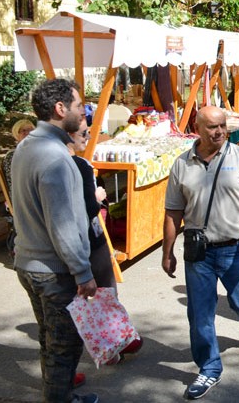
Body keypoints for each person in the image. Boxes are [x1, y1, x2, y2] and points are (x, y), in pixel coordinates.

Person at [162, 106, 239, 400]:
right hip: (200, 253)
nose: (220, 131)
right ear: (197, 128)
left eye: (222, 125)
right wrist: (167, 251)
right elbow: (173, 212)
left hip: (238, 248)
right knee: (199, 315)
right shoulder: (182, 164)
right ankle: (209, 367)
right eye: (212, 127)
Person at [12, 78, 98, 403]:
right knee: (64, 347)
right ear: (61, 109)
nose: (82, 111)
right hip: (52, 271)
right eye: (79, 106)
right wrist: (83, 272)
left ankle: (59, 396)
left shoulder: (26, 146)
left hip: (29, 264)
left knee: (50, 341)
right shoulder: (55, 157)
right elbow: (62, 225)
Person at [66, 122, 143, 364]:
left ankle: (110, 344)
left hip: (67, 242)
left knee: (82, 298)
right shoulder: (80, 165)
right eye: (84, 134)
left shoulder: (37, 162)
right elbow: (88, 208)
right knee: (105, 290)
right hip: (87, 238)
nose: (89, 138)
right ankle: (112, 343)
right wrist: (97, 197)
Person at [0, 118, 35, 197]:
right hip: (23, 198)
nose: (28, 133)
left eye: (31, 130)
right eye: (23, 131)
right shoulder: (12, 156)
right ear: (16, 134)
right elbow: (17, 181)